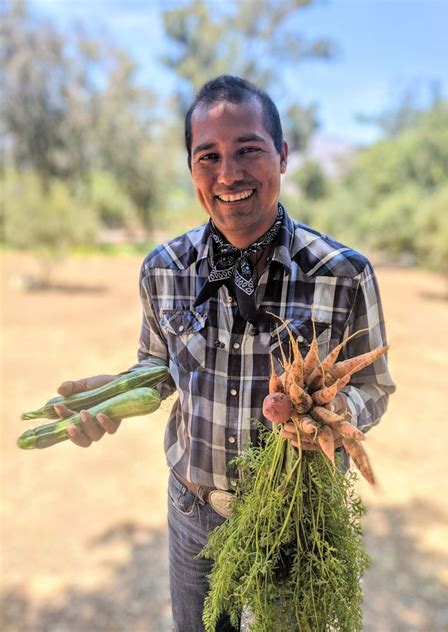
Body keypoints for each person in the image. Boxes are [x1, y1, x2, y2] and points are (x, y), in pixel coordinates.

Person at [55, 75, 395, 632]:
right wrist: (114, 397)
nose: (228, 174)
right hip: (193, 512)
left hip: (297, 520)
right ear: (191, 168)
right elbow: (159, 367)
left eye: (248, 150)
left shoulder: (343, 273)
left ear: (282, 156)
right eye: (207, 156)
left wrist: (328, 417)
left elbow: (374, 389)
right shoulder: (162, 269)